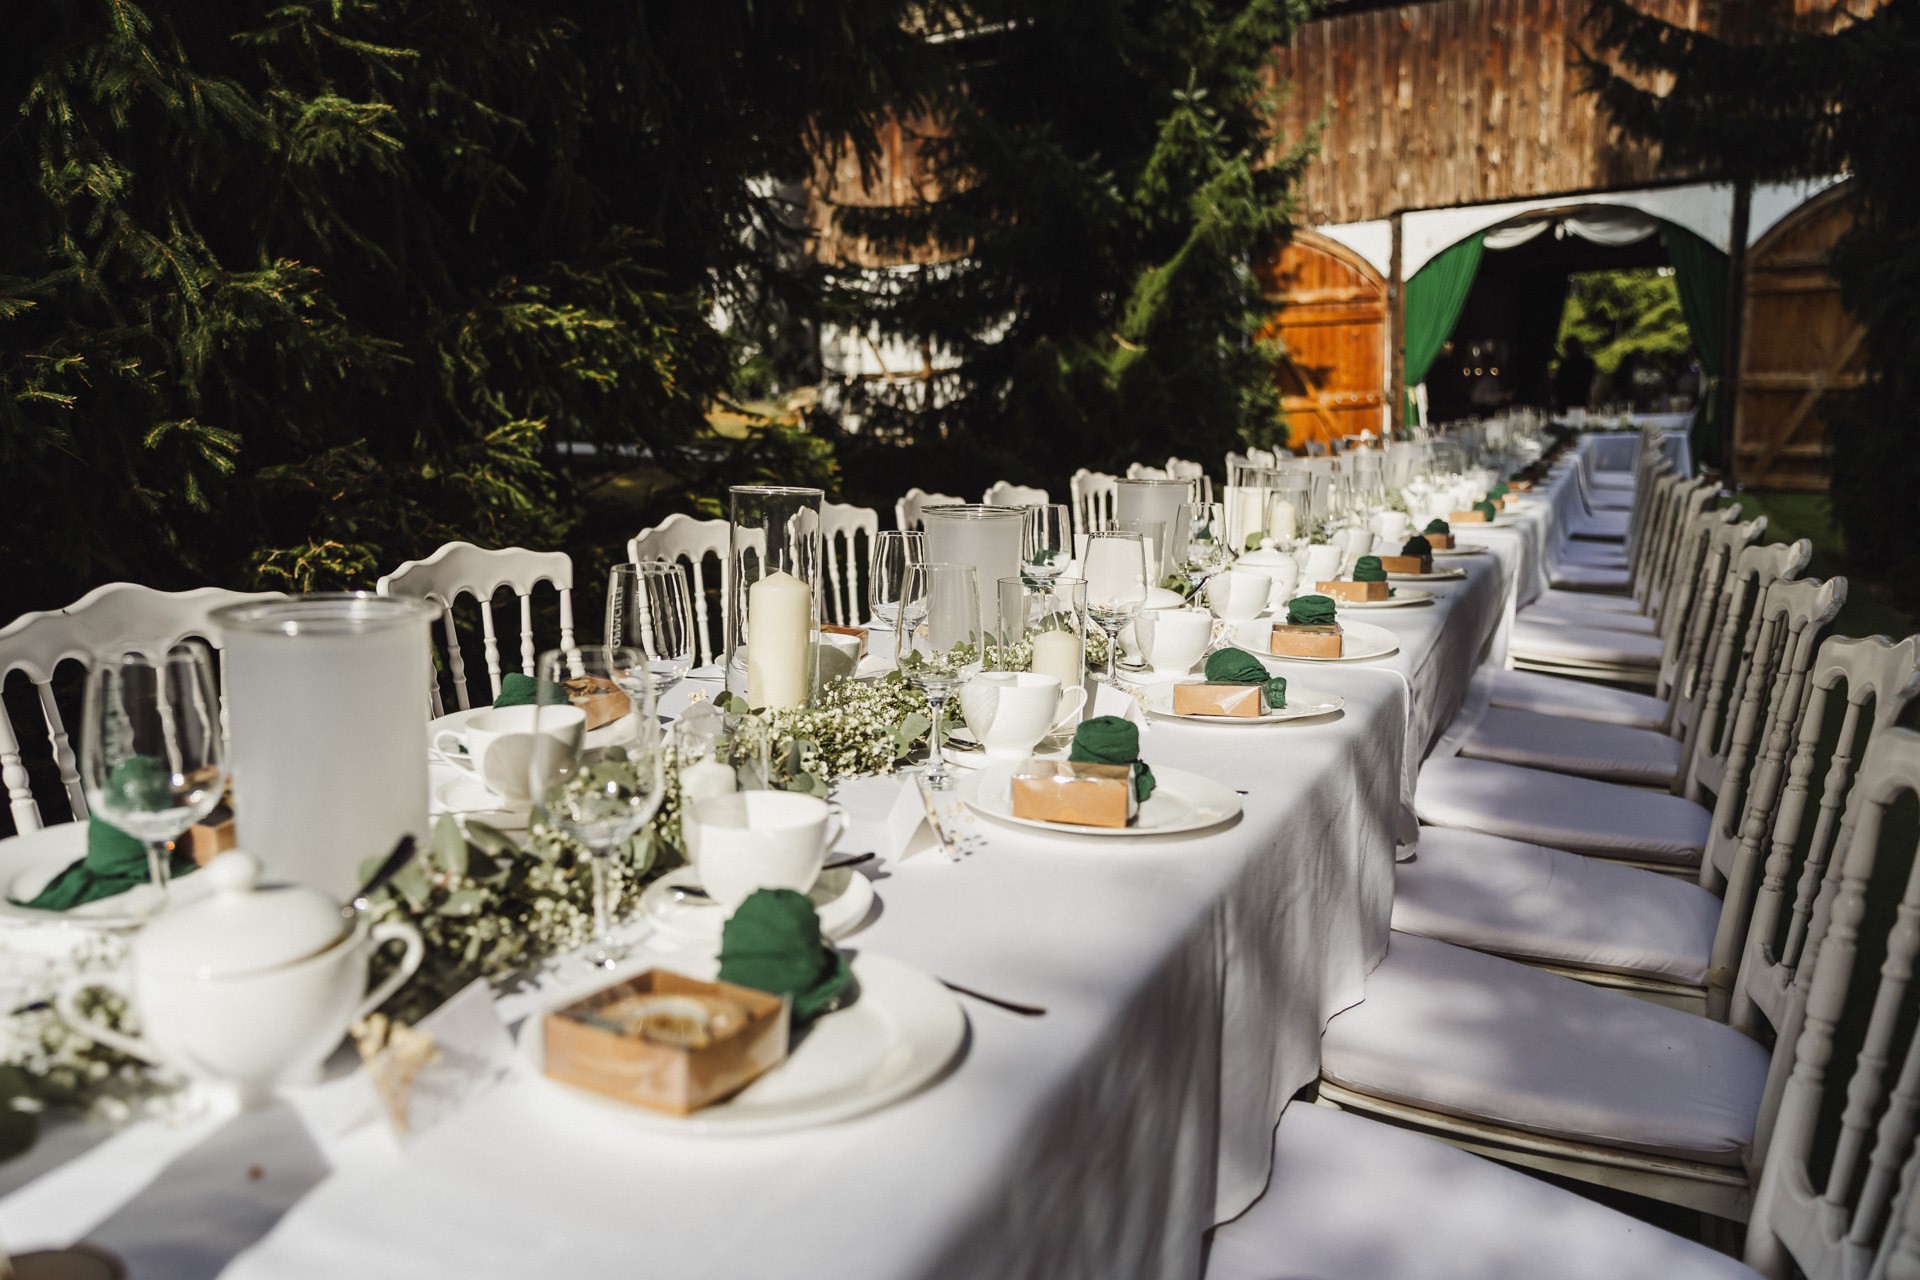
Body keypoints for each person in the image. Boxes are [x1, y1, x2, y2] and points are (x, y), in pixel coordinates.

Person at [1552, 337, 1596, 412]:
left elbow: (1559, 385)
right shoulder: (1588, 363)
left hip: (1565, 403)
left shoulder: (1565, 364)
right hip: (1581, 401)